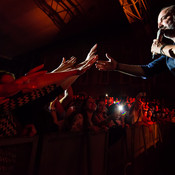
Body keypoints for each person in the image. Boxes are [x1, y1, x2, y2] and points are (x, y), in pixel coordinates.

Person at [95, 5, 175, 79]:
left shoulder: (164, 49)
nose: (159, 26)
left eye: (163, 19)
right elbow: (147, 70)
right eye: (158, 23)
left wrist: (161, 48)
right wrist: (117, 66)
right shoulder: (167, 55)